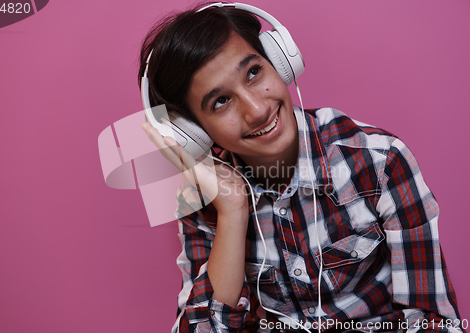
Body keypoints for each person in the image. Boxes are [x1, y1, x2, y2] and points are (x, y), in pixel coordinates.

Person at [138, 3, 463, 332]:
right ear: (194, 132)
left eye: (253, 72)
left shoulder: (380, 162)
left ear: (280, 61)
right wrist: (232, 210)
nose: (257, 109)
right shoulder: (202, 199)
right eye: (221, 101)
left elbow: (436, 322)